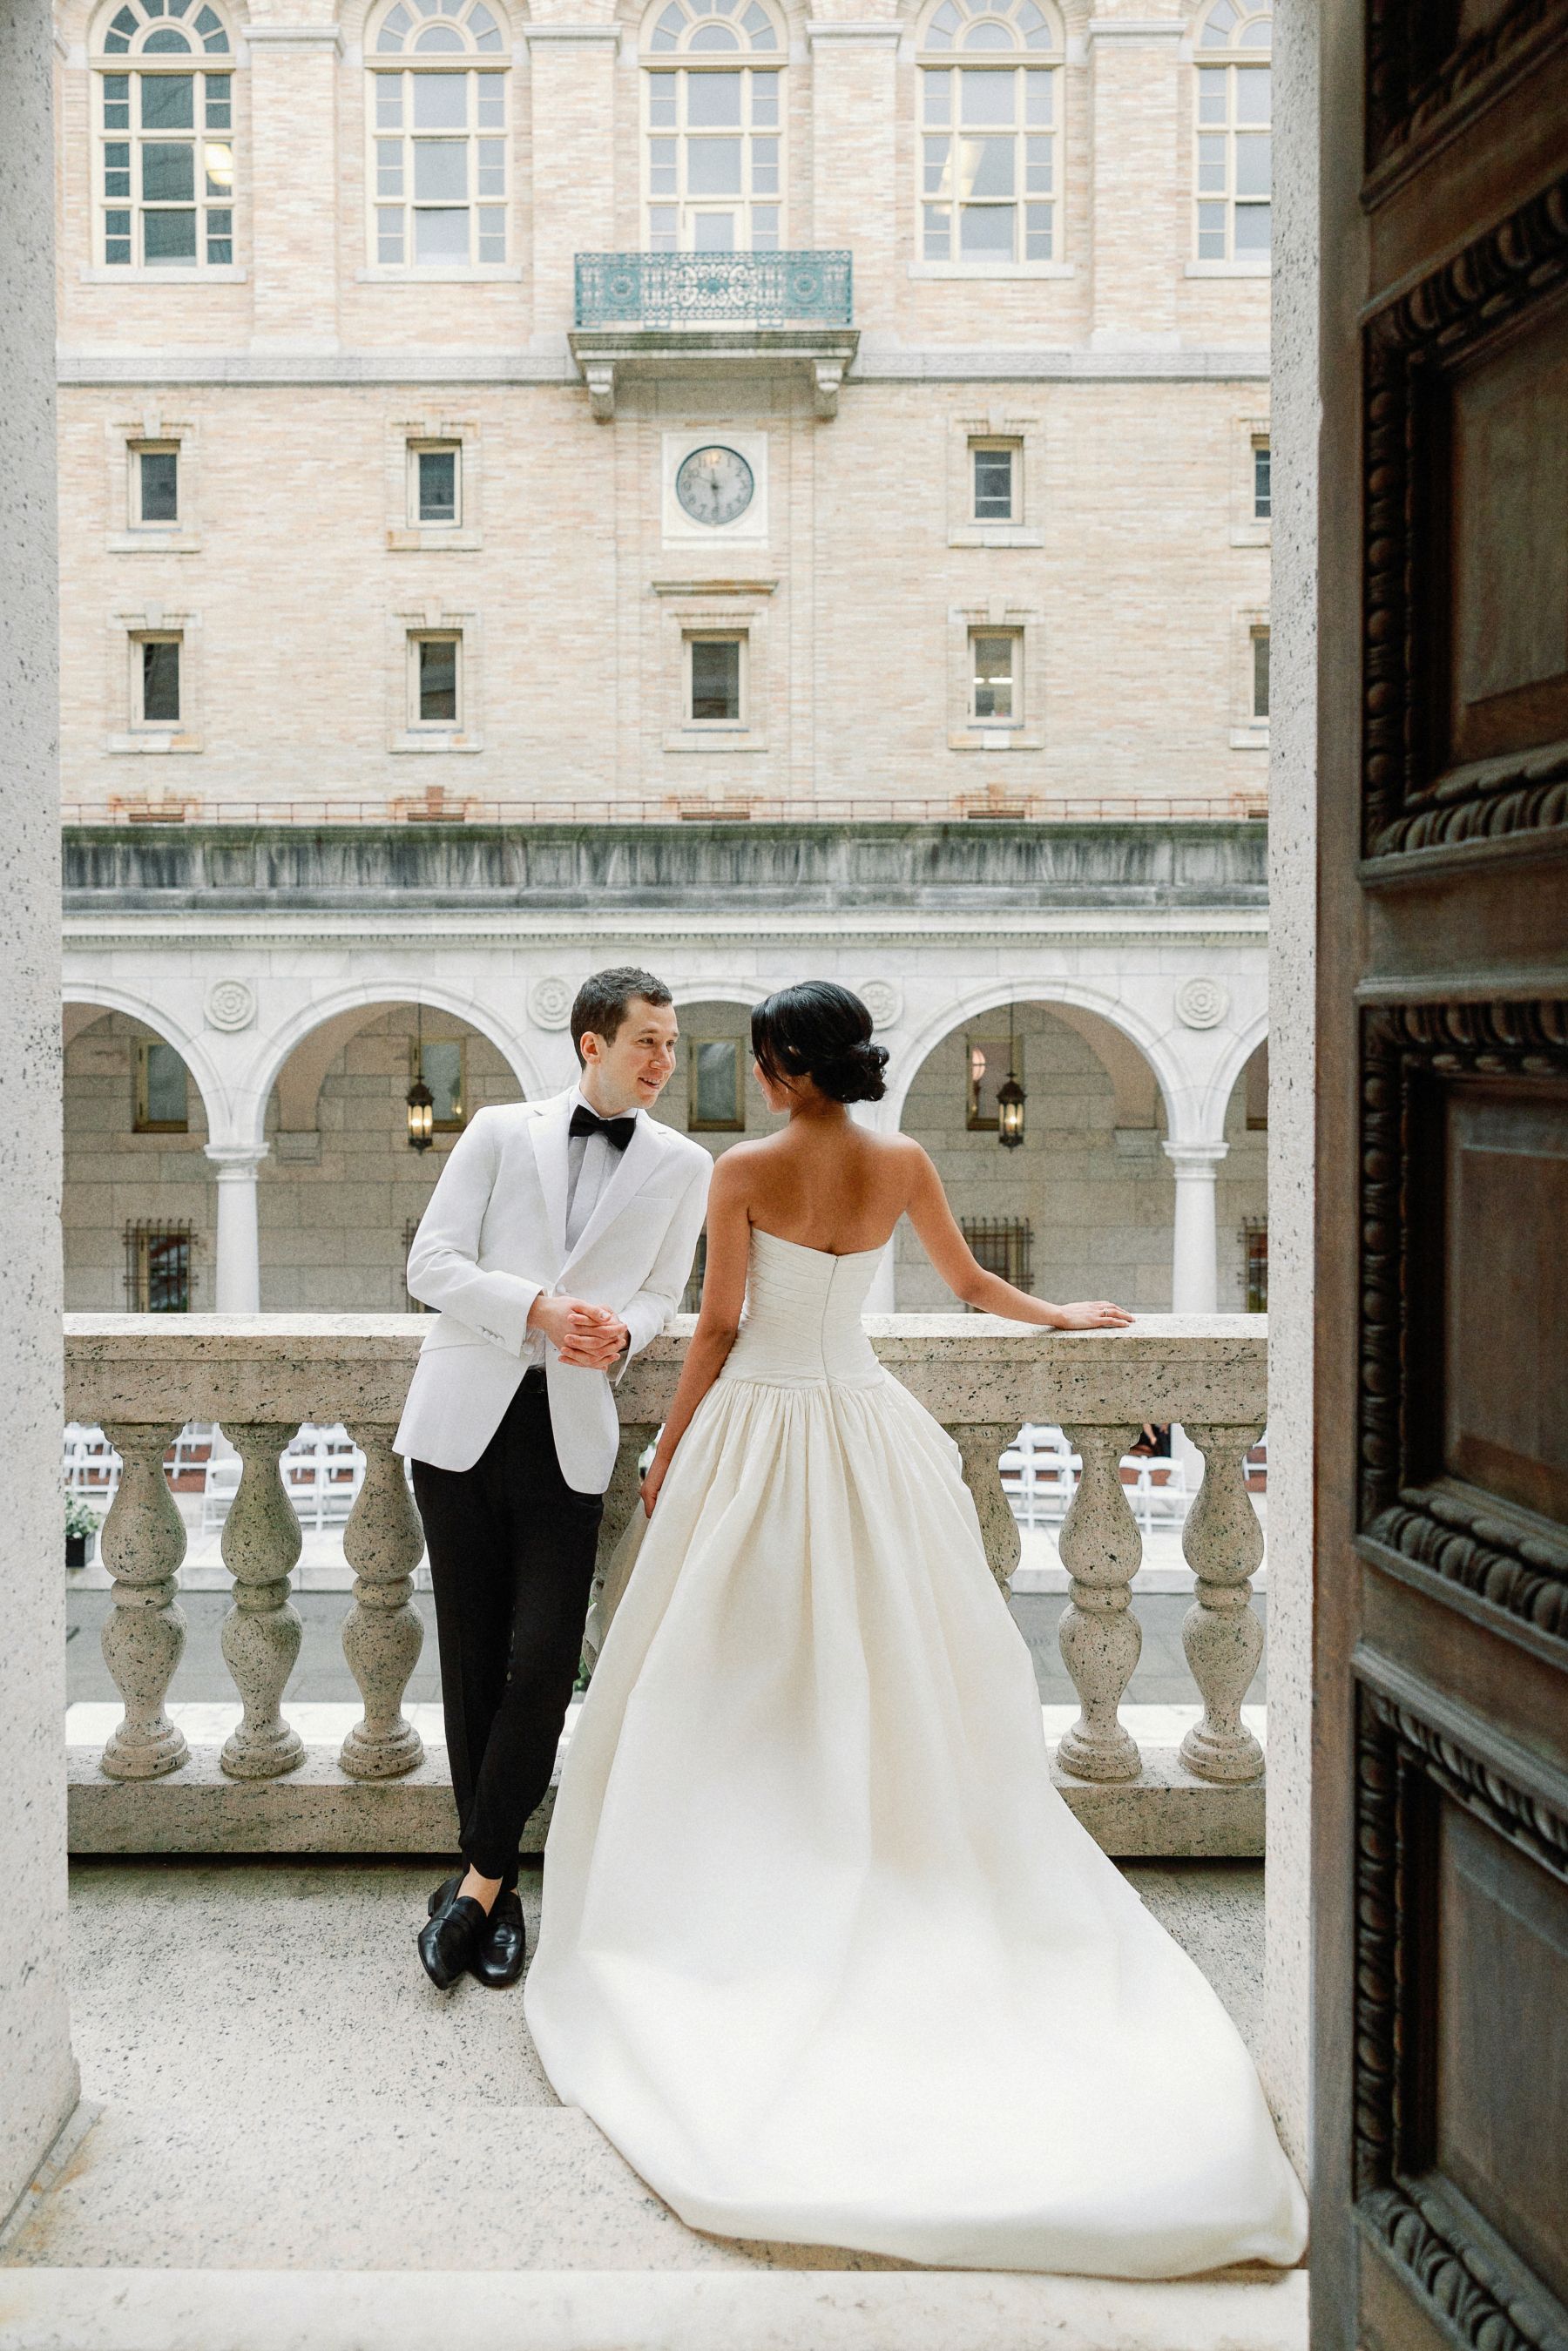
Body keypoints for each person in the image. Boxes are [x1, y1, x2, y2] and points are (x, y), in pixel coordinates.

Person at [524, 981, 1308, 2276]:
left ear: (781, 1065)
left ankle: (765, 1843)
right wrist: (1064, 1315)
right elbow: (969, 1279)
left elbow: (718, 1324)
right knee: (892, 1659)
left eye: (758, 1058)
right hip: (863, 1422)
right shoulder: (903, 1159)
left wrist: (670, 1447)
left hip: (765, 1426)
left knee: (731, 1666)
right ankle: (872, 1828)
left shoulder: (744, 1169)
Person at [394, 968, 710, 1992]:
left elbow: (666, 1289)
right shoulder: (495, 1129)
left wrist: (629, 1330)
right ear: (591, 1042)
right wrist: (533, 1306)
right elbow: (430, 1263)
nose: (667, 1061)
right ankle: (500, 1884)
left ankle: (473, 1886)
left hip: (571, 1433)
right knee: (474, 1659)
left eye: (672, 1043)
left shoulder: (684, 1162)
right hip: (460, 1426)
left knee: (543, 1658)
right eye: (649, 1042)